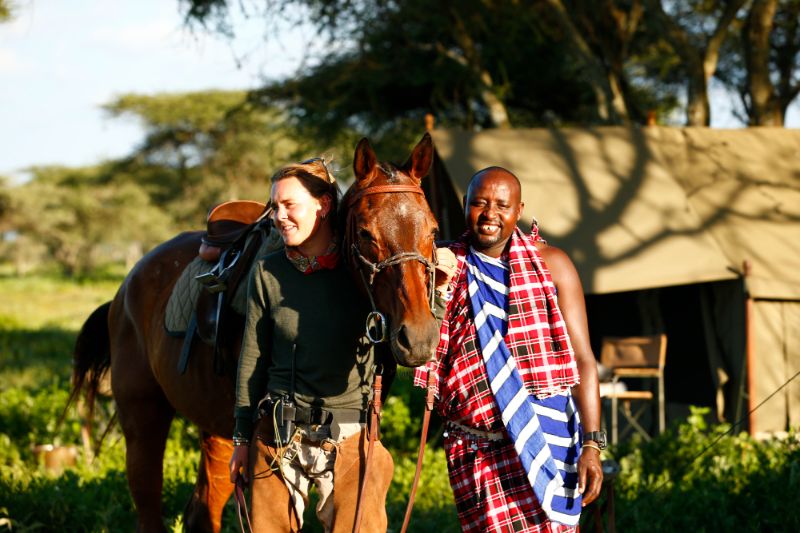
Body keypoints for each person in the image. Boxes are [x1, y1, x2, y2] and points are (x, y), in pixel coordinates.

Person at [417, 166, 604, 532]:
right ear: (466, 207)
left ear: (519, 210)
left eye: (502, 205)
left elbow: (582, 359)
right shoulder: (446, 267)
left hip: (548, 442)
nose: (489, 215)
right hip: (476, 452)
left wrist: (593, 445)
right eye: (479, 204)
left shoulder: (553, 265)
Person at [227, 158, 395, 532]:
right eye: (275, 207)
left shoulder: (362, 271)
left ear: (324, 205)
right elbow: (253, 357)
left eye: (290, 205)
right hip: (278, 434)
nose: (279, 216)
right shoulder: (267, 272)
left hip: (350, 433)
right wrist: (241, 438)